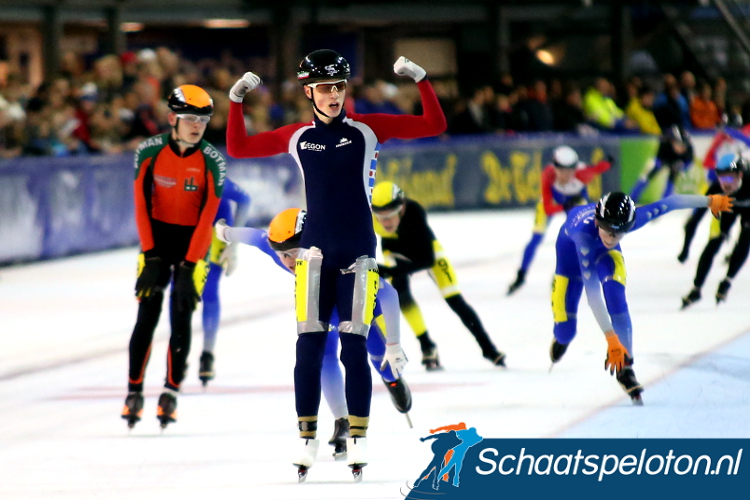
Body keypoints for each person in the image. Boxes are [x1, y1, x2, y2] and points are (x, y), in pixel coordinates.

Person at [225, 49, 446, 479]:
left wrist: (421, 79)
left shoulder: (368, 130)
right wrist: (235, 104)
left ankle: (359, 437)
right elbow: (238, 146)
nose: (333, 95)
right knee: (307, 348)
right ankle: (307, 439)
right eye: (325, 88)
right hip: (316, 253)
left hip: (359, 251)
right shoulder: (297, 137)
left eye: (339, 87)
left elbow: (434, 125)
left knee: (354, 347)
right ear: (308, 91)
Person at [215, 208, 411, 464]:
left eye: (294, 254)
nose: (288, 261)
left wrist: (394, 344)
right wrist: (226, 232)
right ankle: (342, 420)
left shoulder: (335, 253)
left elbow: (389, 294)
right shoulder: (284, 251)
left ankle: (393, 381)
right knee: (325, 354)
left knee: (376, 354)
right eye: (282, 254)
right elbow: (256, 237)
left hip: (356, 303)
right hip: (322, 306)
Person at [549, 191, 732, 405]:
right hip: (570, 267)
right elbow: (593, 297)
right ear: (599, 222)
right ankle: (562, 338)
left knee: (616, 297)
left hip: (603, 257)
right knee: (565, 332)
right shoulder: (583, 236)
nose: (611, 239)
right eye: (608, 232)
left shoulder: (631, 220)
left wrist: (710, 201)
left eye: (619, 235)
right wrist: (611, 339)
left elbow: (671, 202)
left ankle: (626, 369)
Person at [121, 84, 225, 430]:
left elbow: (208, 217)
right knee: (146, 315)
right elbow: (139, 204)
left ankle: (170, 392)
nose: (197, 126)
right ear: (172, 119)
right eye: (190, 119)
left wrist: (191, 264)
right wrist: (150, 255)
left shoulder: (212, 160)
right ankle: (134, 391)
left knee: (181, 314)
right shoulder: (148, 151)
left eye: (204, 120)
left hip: (192, 243)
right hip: (157, 241)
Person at [371, 181, 506, 370]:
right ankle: (427, 345)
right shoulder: (371, 218)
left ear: (401, 208)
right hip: (394, 251)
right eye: (380, 217)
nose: (385, 223)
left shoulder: (415, 213)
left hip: (424, 252)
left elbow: (427, 260)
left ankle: (488, 348)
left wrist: (391, 270)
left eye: (390, 217)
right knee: (399, 293)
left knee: (455, 299)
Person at [508, 146, 612, 295]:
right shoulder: (548, 175)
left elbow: (598, 168)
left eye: (571, 170)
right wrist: (565, 205)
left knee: (581, 238)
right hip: (556, 203)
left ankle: (565, 274)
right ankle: (521, 275)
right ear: (554, 167)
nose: (567, 174)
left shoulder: (583, 173)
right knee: (536, 238)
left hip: (575, 203)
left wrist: (609, 162)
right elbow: (548, 208)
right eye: (562, 170)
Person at [196, 177, 251, 386]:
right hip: (189, 231)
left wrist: (233, 242)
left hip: (215, 233)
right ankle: (179, 353)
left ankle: (207, 354)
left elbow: (245, 199)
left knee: (208, 291)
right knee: (180, 293)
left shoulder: (210, 172)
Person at [681, 153, 750, 308]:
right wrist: (685, 249)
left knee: (745, 239)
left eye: (729, 178)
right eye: (721, 178)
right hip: (728, 208)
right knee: (714, 243)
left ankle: (727, 281)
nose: (725, 184)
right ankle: (696, 289)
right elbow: (694, 220)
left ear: (740, 174)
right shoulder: (717, 188)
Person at [630, 125, 694, 204]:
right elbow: (657, 158)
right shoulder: (665, 142)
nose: (682, 149)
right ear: (673, 142)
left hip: (676, 161)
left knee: (672, 178)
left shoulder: (688, 149)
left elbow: (689, 163)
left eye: (684, 147)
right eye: (679, 146)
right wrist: (658, 164)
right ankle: (632, 197)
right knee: (648, 175)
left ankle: (666, 200)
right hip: (663, 158)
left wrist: (682, 166)